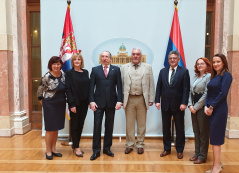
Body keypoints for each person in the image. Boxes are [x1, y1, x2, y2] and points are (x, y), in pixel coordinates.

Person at [155, 50, 190, 159]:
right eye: (170, 58)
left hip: (179, 105)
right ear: (168, 60)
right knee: (166, 128)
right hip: (165, 104)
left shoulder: (184, 71)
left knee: (179, 128)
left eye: (174, 58)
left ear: (178, 59)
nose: (172, 60)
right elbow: (159, 88)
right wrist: (157, 101)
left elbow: (186, 89)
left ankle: (179, 150)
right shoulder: (163, 71)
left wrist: (184, 103)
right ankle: (167, 149)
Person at [89, 51, 123, 160]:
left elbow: (119, 86)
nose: (104, 58)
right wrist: (91, 101)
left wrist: (119, 101)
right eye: (102, 56)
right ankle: (96, 150)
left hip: (111, 103)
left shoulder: (116, 70)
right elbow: (91, 88)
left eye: (106, 57)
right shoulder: (95, 70)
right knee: (97, 126)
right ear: (100, 58)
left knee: (109, 126)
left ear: (110, 59)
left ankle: (107, 148)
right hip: (98, 103)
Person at [121, 48, 155, 154]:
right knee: (129, 124)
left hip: (142, 99)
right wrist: (120, 100)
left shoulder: (148, 67)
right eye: (134, 54)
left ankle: (140, 144)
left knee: (142, 124)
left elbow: (151, 84)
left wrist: (151, 98)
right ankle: (130, 144)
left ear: (141, 56)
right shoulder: (123, 67)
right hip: (129, 99)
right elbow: (120, 84)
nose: (136, 56)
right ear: (131, 55)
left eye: (138, 54)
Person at [204, 54, 232, 173]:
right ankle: (216, 164)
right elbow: (208, 93)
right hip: (210, 109)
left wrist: (211, 106)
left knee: (216, 139)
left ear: (223, 62)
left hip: (219, 110)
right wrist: (205, 105)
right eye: (214, 62)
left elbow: (223, 93)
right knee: (213, 138)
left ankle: (216, 167)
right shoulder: (214, 76)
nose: (215, 64)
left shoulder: (226, 75)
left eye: (218, 62)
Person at [37, 56, 66, 160]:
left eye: (58, 64)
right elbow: (40, 92)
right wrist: (45, 103)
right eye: (54, 64)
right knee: (50, 129)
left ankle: (54, 149)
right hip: (50, 104)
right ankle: (48, 151)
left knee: (56, 127)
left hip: (61, 103)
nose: (56, 66)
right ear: (51, 65)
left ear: (61, 65)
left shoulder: (63, 75)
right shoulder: (47, 76)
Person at [65, 52, 90, 157]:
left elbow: (88, 87)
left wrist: (90, 101)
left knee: (80, 125)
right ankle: (76, 147)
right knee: (74, 126)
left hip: (84, 103)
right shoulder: (69, 73)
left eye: (79, 59)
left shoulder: (85, 72)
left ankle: (76, 145)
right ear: (72, 61)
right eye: (75, 59)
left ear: (81, 61)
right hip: (74, 103)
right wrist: (71, 104)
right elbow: (68, 89)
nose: (77, 61)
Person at [188, 57, 211, 164]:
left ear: (207, 65)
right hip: (193, 106)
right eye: (198, 64)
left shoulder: (209, 76)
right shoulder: (195, 76)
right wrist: (190, 105)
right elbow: (190, 92)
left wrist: (196, 107)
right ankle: (197, 153)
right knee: (196, 132)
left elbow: (207, 94)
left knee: (203, 132)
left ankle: (202, 156)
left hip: (202, 107)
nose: (200, 66)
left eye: (202, 64)